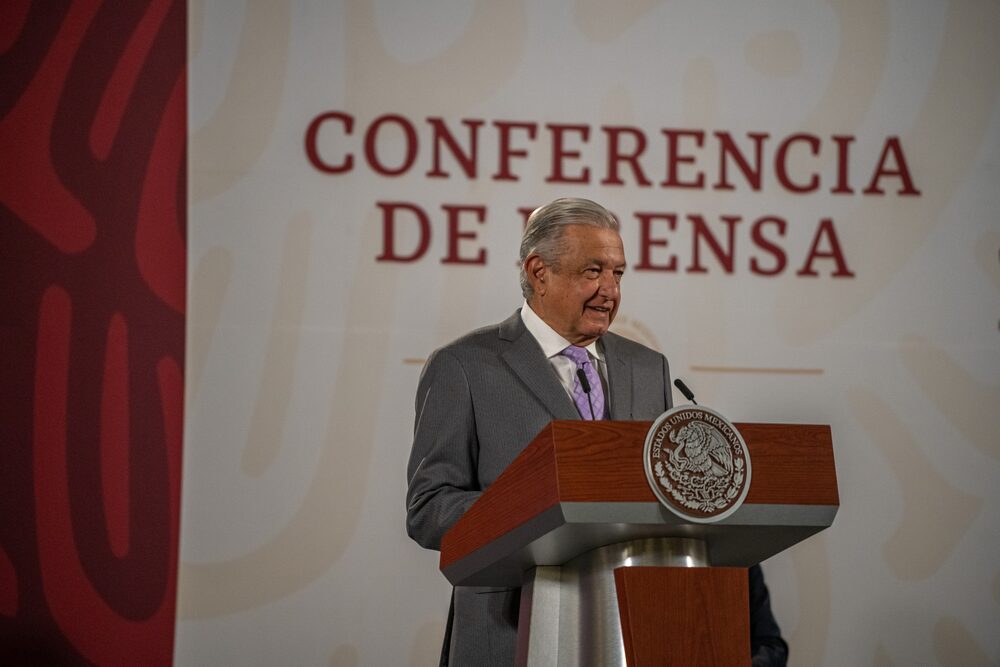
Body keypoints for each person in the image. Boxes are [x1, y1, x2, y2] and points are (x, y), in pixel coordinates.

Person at [405, 197, 788, 666]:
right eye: (593, 271)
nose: (610, 290)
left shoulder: (647, 368)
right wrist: (538, 501)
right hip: (511, 631)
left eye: (619, 273)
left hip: (639, 630)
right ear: (539, 271)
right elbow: (428, 508)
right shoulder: (464, 367)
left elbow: (666, 493)